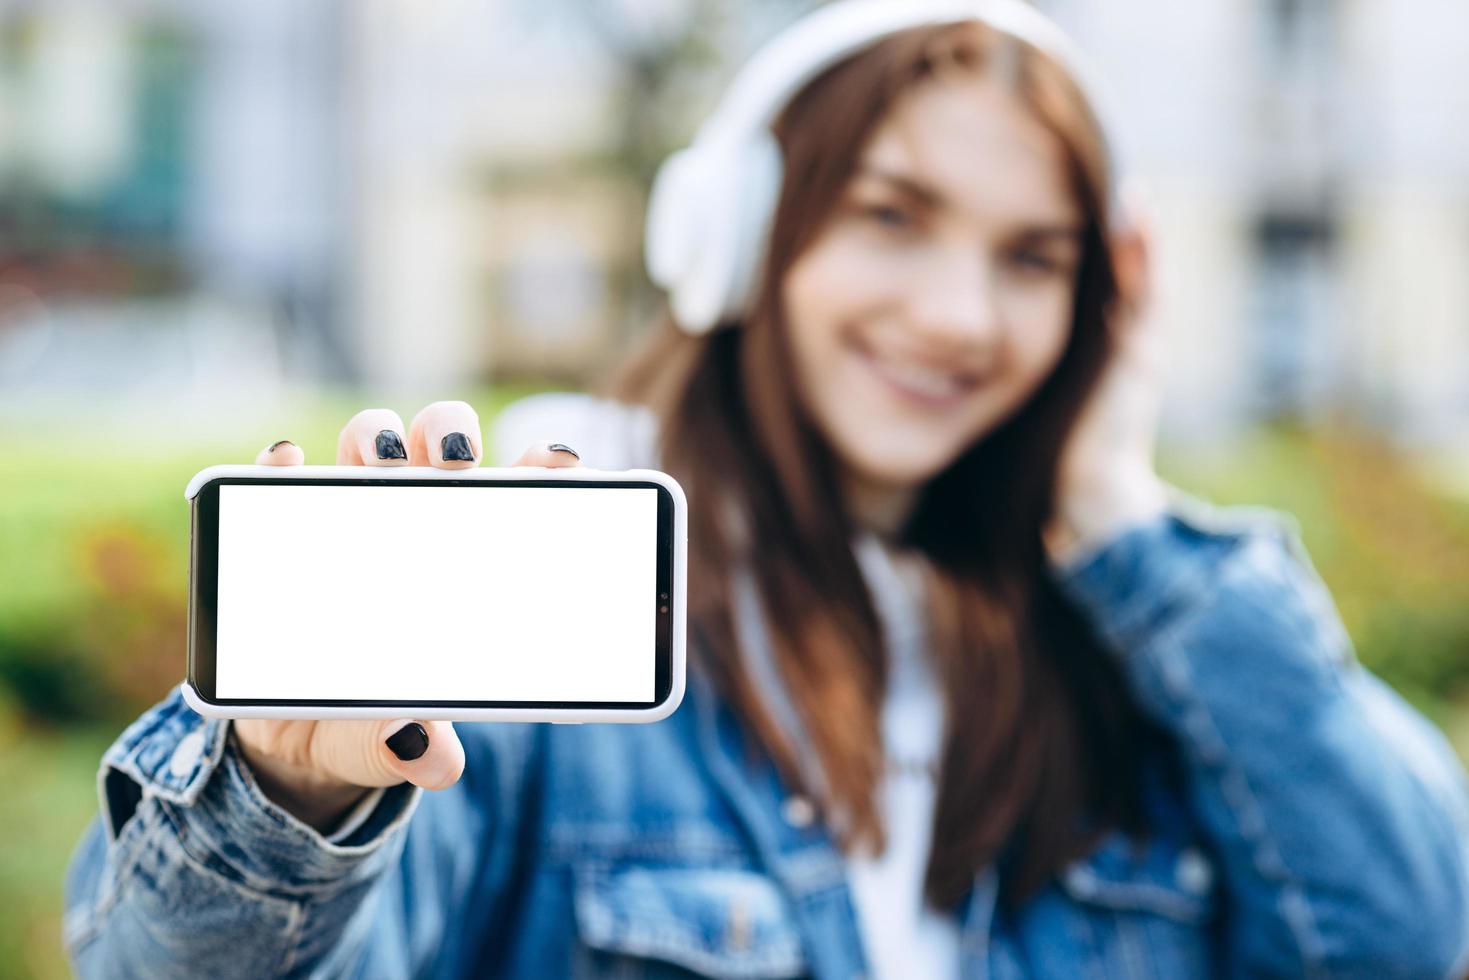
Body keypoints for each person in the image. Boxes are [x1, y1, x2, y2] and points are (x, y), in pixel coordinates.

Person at [64, 1, 1469, 977]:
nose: (959, 316)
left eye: (1033, 259)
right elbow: (165, 964)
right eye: (889, 216)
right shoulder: (557, 609)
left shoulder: (1143, 651)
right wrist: (288, 803)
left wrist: (1116, 510)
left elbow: (1402, 934)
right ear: (738, 240)